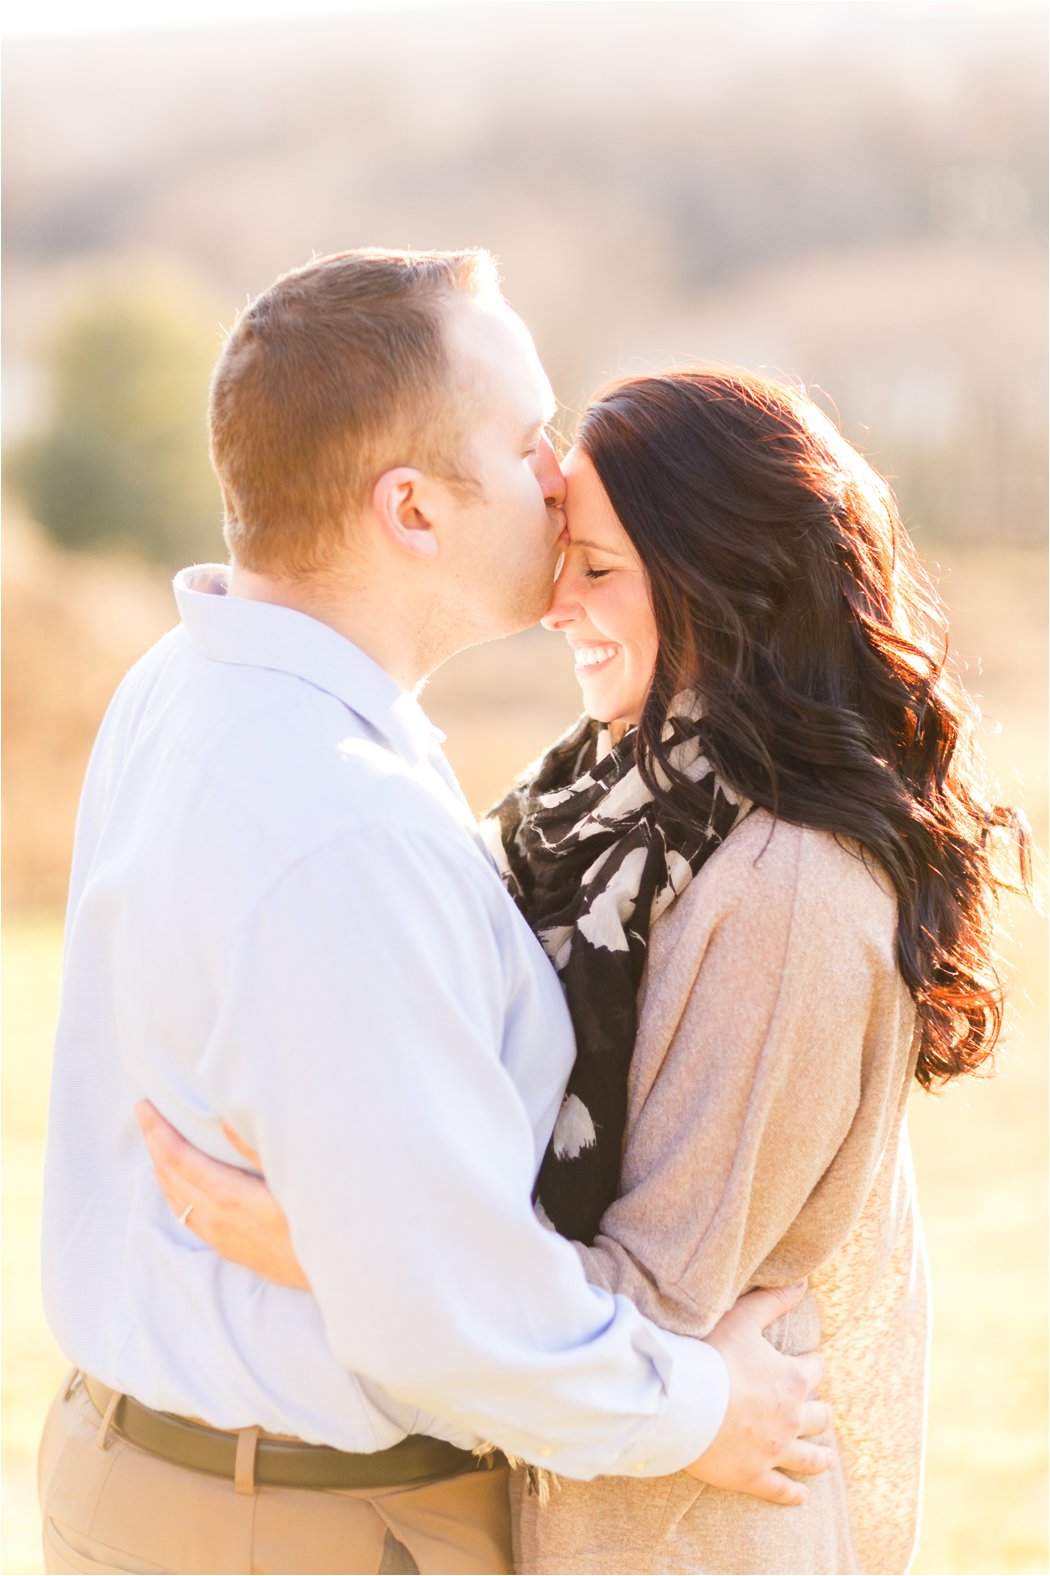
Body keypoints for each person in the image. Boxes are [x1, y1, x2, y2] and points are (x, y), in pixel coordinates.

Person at [144, 367, 1030, 1574]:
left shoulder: (790, 888)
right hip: (570, 1501)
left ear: (732, 585)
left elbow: (654, 1305)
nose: (556, 601)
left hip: (678, 1535)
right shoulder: (597, 799)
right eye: (566, 551)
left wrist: (332, 1242)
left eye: (601, 569)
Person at [37, 252, 830, 1576]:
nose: (563, 475)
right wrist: (704, 1411)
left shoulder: (194, 683)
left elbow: (394, 1223)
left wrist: (346, 1245)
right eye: (527, 441)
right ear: (410, 509)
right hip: (304, 1528)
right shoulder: (341, 828)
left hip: (175, 1485)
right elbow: (443, 1313)